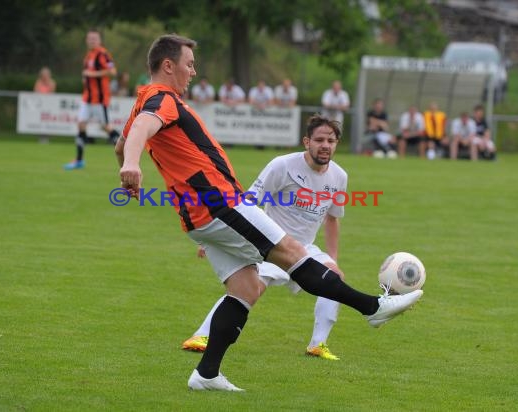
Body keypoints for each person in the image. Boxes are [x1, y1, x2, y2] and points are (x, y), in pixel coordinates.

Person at [116, 34, 423, 392]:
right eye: (189, 64)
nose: (193, 72)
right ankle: (373, 308)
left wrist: (127, 165)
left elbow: (123, 142)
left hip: (196, 216)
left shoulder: (141, 102)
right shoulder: (161, 99)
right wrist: (133, 165)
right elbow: (139, 132)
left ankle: (207, 374)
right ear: (168, 65)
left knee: (247, 287)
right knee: (294, 253)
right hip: (219, 203)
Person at [183, 114, 349, 361]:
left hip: (304, 248)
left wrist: (332, 258)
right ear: (307, 141)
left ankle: (318, 344)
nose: (325, 145)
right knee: (249, 290)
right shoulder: (282, 166)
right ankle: (202, 335)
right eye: (320, 139)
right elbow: (247, 202)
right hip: (271, 245)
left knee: (334, 279)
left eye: (331, 140)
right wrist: (218, 238)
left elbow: (333, 218)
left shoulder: (339, 177)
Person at [64, 29, 120, 170]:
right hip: (87, 98)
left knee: (106, 127)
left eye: (94, 38)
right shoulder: (89, 55)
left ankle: (128, 151)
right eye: (90, 38)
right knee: (81, 124)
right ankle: (79, 160)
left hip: (99, 99)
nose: (92, 41)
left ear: (99, 40)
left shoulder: (102, 54)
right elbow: (87, 75)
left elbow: (112, 71)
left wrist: (92, 74)